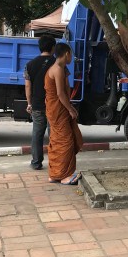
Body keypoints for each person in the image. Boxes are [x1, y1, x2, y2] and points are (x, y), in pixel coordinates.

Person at [45, 43, 83, 185]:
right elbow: (60, 94)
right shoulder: (58, 70)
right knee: (65, 142)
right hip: (58, 110)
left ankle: (54, 174)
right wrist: (70, 109)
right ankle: (64, 176)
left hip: (55, 109)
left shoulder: (58, 69)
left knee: (56, 141)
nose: (71, 57)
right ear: (67, 54)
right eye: (71, 54)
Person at [24, 35, 56, 170]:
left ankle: (36, 162)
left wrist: (29, 103)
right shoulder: (57, 63)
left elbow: (28, 86)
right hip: (53, 105)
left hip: (37, 105)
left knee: (37, 134)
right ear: (53, 47)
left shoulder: (30, 64)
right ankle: (55, 163)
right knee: (54, 135)